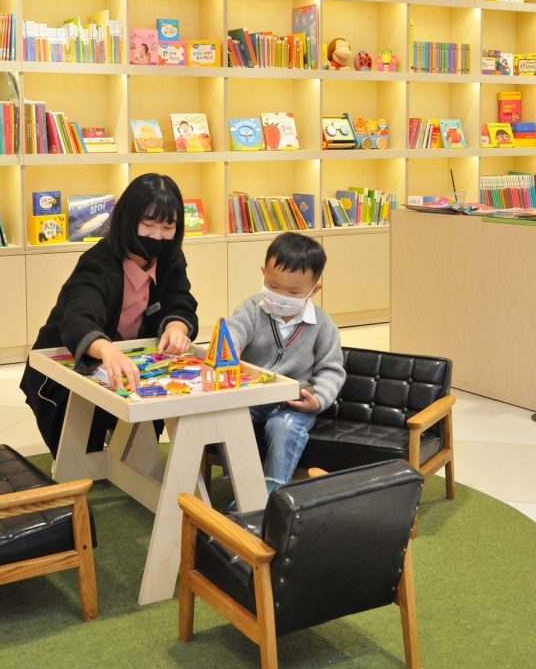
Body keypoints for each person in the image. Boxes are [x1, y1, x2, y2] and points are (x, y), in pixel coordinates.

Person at [20, 173, 198, 457]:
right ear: (128, 219)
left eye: (168, 227)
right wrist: (107, 350)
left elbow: (180, 300)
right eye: (148, 224)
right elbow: (79, 317)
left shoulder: (170, 259)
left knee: (143, 434)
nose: (157, 236)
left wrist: (176, 328)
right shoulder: (98, 262)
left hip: (132, 365)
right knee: (82, 445)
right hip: (67, 365)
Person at [225, 232, 345, 495]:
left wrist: (318, 399)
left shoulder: (323, 325)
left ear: (314, 290)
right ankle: (243, 486)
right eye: (273, 286)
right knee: (226, 417)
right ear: (263, 274)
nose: (280, 296)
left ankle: (272, 491)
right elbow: (235, 329)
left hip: (292, 402)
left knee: (284, 427)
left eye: (293, 292)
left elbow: (331, 370)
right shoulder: (252, 309)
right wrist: (230, 348)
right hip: (251, 395)